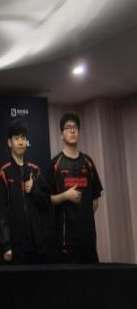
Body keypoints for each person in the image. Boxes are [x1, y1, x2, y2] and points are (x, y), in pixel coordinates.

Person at [48, 112, 103, 263]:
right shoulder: (55, 164)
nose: (72, 130)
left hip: (88, 239)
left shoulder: (88, 162)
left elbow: (95, 200)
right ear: (61, 135)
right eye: (68, 127)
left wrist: (83, 215)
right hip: (65, 240)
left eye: (75, 127)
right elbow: (47, 199)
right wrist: (65, 196)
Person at [0, 119, 51, 264]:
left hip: (37, 246)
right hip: (16, 248)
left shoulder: (35, 170)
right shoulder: (4, 172)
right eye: (16, 138)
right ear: (9, 142)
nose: (21, 142)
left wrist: (34, 189)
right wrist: (6, 245)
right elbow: (1, 214)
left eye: (23, 138)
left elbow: (47, 203)